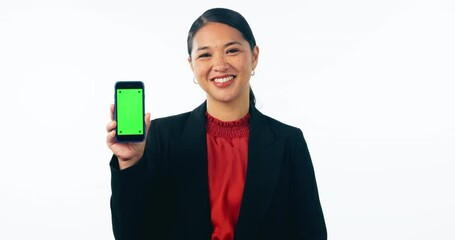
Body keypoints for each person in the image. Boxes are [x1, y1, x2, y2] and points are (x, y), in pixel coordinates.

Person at [106, 7, 327, 240]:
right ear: (191, 64)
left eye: (231, 50)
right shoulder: (161, 136)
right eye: (205, 55)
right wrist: (129, 163)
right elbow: (131, 234)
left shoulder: (288, 142)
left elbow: (310, 233)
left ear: (254, 56)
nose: (219, 64)